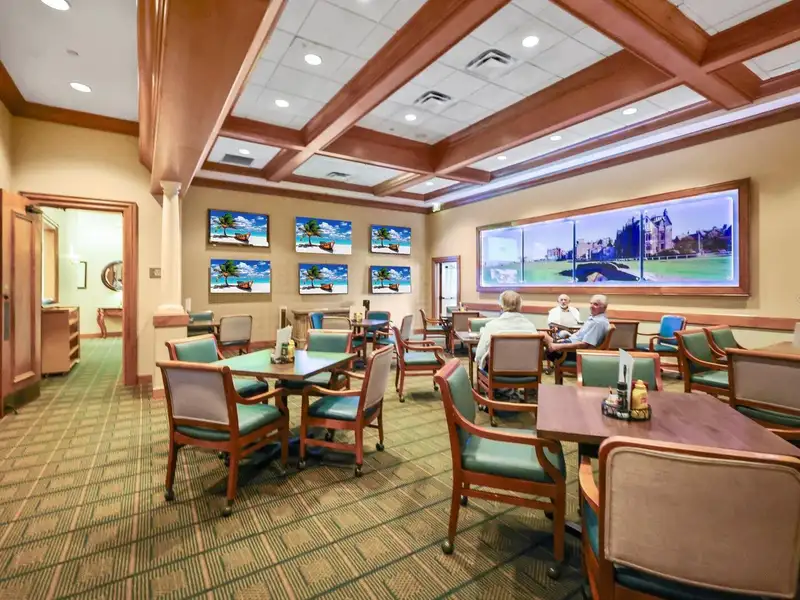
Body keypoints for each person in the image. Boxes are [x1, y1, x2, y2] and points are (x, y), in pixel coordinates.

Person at [474, 290, 537, 370]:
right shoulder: (530, 327)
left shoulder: (491, 326)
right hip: (527, 372)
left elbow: (479, 355)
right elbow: (537, 354)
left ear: (501, 306)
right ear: (520, 306)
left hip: (497, 373)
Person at [543, 294, 610, 363]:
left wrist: (558, 346)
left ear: (604, 307)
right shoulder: (595, 318)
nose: (591, 306)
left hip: (574, 352)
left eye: (596, 304)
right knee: (544, 338)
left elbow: (584, 345)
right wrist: (564, 340)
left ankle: (538, 365)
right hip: (571, 344)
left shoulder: (597, 323)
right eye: (591, 303)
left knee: (544, 339)